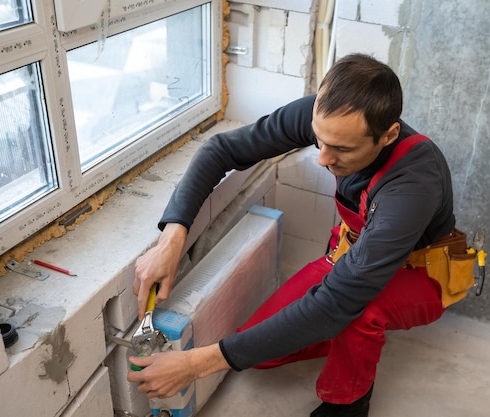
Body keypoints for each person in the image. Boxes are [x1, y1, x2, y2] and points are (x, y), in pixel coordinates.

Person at [129, 53, 469, 417]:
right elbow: (221, 150)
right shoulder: (330, 120)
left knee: (357, 311)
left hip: (421, 273)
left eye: (341, 149)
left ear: (388, 136)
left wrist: (196, 364)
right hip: (355, 257)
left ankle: (349, 405)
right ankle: (332, 334)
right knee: (259, 352)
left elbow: (339, 301)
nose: (323, 158)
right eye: (320, 140)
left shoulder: (413, 184)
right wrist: (172, 240)